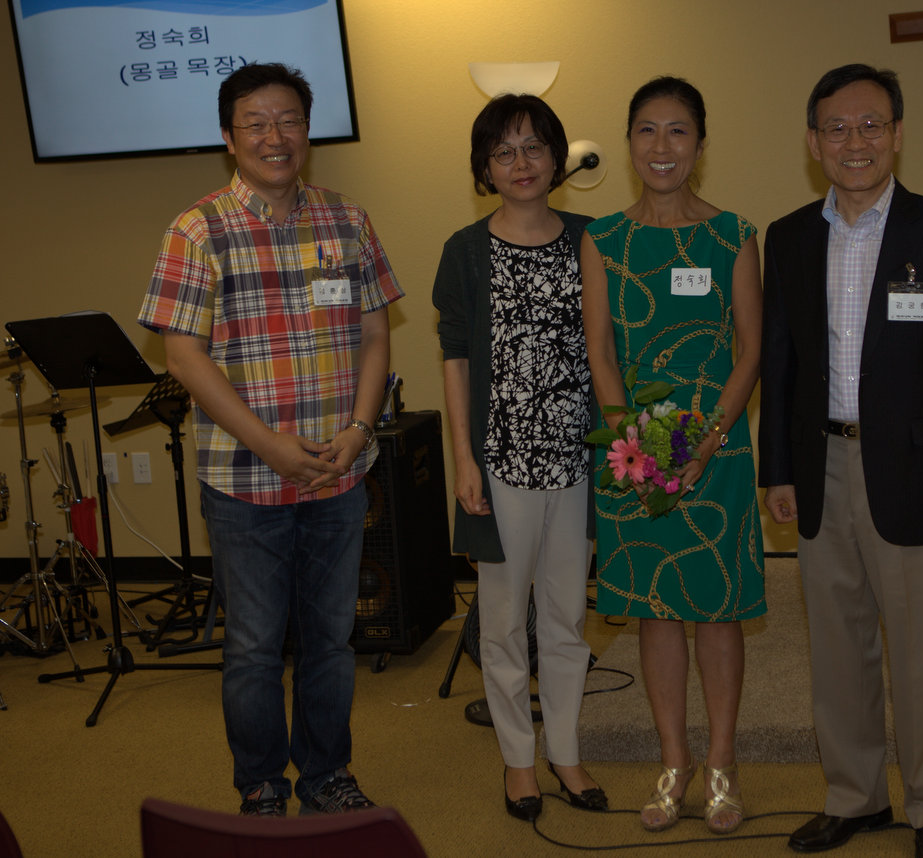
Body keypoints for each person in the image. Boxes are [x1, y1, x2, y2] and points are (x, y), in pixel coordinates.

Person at [138, 62, 402, 816]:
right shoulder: (197, 229)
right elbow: (184, 358)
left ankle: (327, 776)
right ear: (230, 138)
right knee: (253, 647)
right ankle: (260, 784)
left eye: (288, 120)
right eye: (255, 123)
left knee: (331, 639)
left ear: (307, 130)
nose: (274, 136)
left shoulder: (347, 220)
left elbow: (375, 334)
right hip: (244, 481)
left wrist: (359, 429)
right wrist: (271, 446)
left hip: (339, 474)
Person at [758, 64, 923, 858]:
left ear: (897, 134)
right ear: (813, 141)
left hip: (919, 474)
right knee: (837, 649)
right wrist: (777, 468)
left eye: (871, 125)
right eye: (837, 127)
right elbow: (780, 362)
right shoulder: (791, 236)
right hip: (820, 466)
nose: (854, 141)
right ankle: (855, 797)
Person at [581, 76, 764, 835]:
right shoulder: (603, 240)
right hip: (635, 451)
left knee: (716, 608)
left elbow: (751, 349)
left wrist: (707, 440)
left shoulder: (733, 235)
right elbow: (600, 352)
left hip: (718, 445)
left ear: (701, 143)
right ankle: (673, 763)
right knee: (656, 611)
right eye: (647, 130)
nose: (662, 146)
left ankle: (721, 765)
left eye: (679, 130)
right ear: (629, 142)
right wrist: (638, 445)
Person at [432, 94, 606, 823]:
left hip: (577, 462)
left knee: (567, 617)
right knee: (502, 622)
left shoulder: (593, 239)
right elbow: (455, 357)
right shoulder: (467, 250)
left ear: (557, 157)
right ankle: (518, 761)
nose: (521, 163)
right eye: (503, 151)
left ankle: (565, 751)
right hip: (500, 462)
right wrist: (463, 459)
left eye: (534, 147)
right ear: (485, 168)